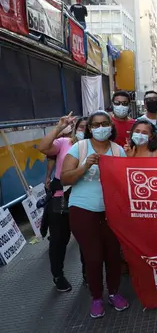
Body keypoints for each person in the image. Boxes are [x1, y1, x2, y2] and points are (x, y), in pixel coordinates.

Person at [60, 111, 129, 319]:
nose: (101, 128)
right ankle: (97, 297)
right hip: (83, 210)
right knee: (94, 257)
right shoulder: (79, 148)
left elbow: (125, 181)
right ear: (90, 128)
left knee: (112, 256)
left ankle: (114, 292)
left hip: (111, 211)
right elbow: (65, 179)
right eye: (96, 125)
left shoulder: (117, 150)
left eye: (104, 124)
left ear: (110, 126)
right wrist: (85, 166)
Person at [37, 115, 87, 292]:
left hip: (86, 198)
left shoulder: (96, 147)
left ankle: (88, 274)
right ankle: (58, 275)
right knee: (59, 239)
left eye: (88, 128)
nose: (84, 130)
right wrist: (59, 127)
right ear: (75, 129)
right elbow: (43, 148)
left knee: (86, 239)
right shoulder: (64, 142)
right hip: (60, 197)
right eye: (81, 127)